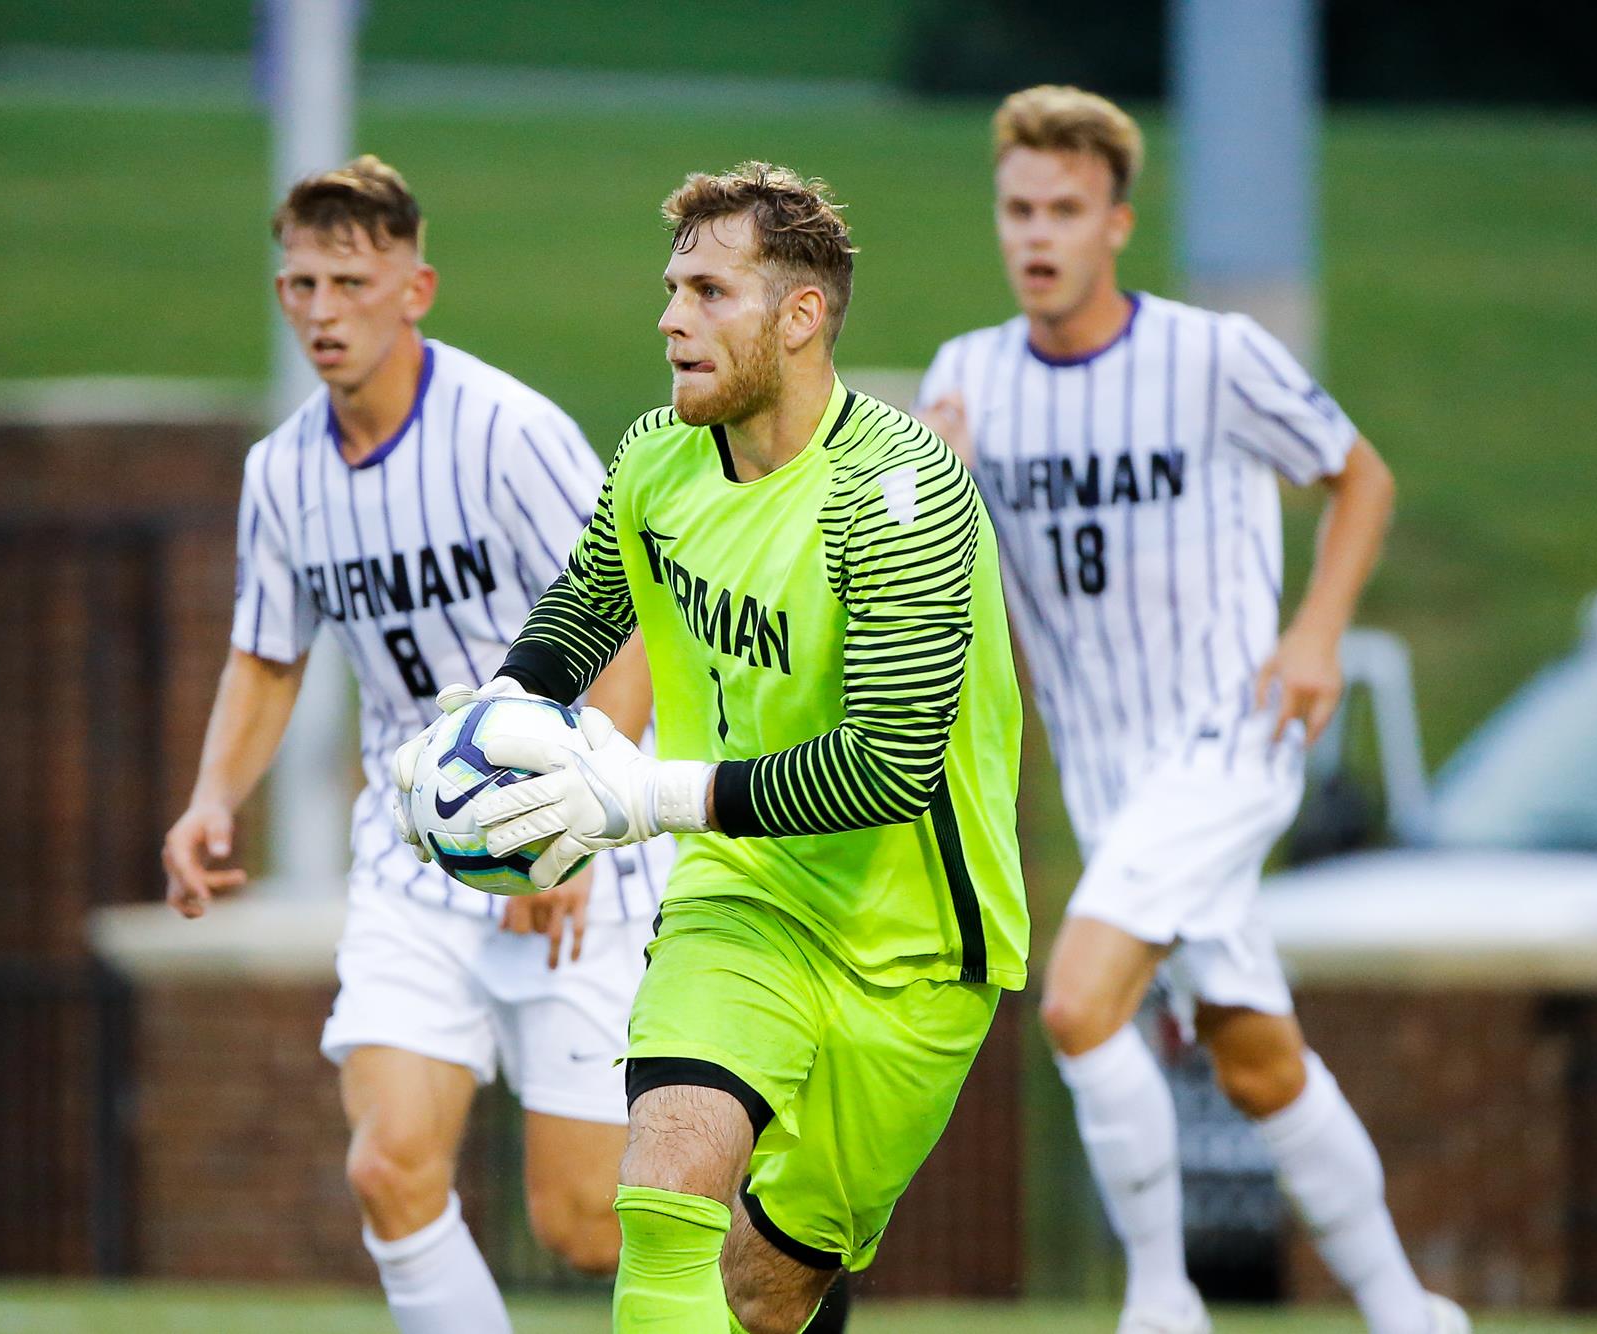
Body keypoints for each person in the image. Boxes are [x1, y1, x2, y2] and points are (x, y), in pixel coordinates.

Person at [390, 161, 1029, 1334]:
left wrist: (640, 796)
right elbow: (583, 609)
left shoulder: (902, 492)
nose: (669, 317)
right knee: (664, 1186)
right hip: (738, 896)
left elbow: (886, 765)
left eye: (706, 290)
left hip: (920, 947)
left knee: (764, 1294)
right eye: (670, 288)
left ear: (799, 317)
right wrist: (486, 728)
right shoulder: (653, 459)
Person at [914, 87, 1467, 1334]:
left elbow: (1356, 474)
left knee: (1074, 1000)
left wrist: (1316, 628)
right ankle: (1406, 1309)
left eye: (1062, 208)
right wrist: (928, 482)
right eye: (1016, 209)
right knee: (1252, 1048)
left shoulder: (1209, 353)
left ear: (1115, 221)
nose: (1035, 233)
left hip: (1230, 735)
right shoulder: (965, 380)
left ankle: (1160, 1302)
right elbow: (934, 578)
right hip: (1103, 775)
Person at [158, 154, 669, 1334]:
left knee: (585, 1222)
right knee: (388, 1169)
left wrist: (571, 824)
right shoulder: (279, 470)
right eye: (300, 283)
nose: (322, 310)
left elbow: (634, 619)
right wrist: (207, 800)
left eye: (349, 279)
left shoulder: (506, 430)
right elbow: (267, 654)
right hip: (413, 850)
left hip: (580, 852)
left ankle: (780, 1264)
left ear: (415, 287)